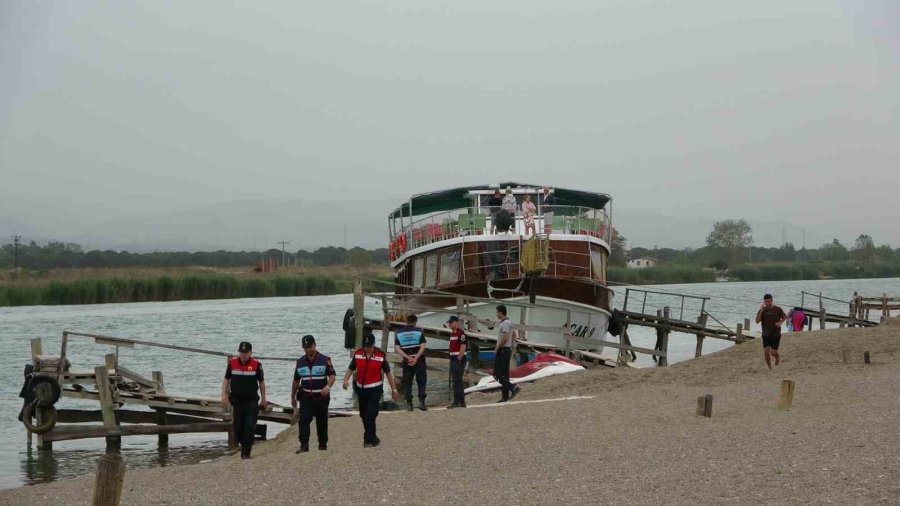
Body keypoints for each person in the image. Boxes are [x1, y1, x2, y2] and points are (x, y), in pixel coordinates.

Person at [342, 332, 400, 448]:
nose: (367, 348)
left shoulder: (380, 356)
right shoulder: (358, 354)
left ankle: (367, 440)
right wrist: (345, 380)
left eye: (369, 346)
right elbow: (350, 368)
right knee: (364, 415)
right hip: (361, 389)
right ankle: (373, 438)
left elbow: (388, 373)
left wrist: (394, 389)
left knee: (370, 414)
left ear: (373, 344)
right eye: (365, 346)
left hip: (375, 389)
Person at [221, 341, 268, 459]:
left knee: (249, 426)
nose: (243, 355)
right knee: (237, 428)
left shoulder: (257, 365)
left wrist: (264, 398)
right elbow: (226, 379)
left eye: (245, 353)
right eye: (241, 352)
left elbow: (261, 382)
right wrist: (224, 394)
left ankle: (247, 451)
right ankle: (243, 446)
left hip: (251, 401)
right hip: (237, 401)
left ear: (250, 353)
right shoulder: (232, 364)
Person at [291, 334, 336, 453]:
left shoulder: (325, 359)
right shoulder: (300, 362)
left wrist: (328, 386)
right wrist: (292, 397)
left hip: (321, 397)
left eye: (309, 347)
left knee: (322, 421)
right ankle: (304, 445)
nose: (307, 350)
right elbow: (296, 380)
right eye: (305, 348)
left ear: (314, 345)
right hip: (306, 397)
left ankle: (322, 445)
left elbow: (332, 375)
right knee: (304, 419)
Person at [395, 314, 428, 411]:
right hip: (419, 360)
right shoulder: (419, 332)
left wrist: (408, 357)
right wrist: (416, 358)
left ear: (406, 321)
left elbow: (397, 348)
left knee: (408, 382)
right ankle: (422, 403)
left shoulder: (399, 333)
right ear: (415, 322)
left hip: (407, 361)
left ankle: (409, 405)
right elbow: (423, 346)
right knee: (421, 381)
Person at [493, 305, 520, 402]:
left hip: (503, 350)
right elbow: (514, 335)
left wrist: (497, 348)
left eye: (497, 312)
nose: (496, 314)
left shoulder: (505, 323)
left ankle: (513, 388)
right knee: (505, 374)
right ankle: (505, 397)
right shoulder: (510, 322)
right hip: (507, 349)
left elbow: (504, 338)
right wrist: (511, 345)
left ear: (501, 312)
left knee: (496, 374)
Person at [755, 294, 787, 369]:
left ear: (772, 301)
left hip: (776, 333)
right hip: (766, 333)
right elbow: (757, 321)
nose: (767, 303)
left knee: (773, 352)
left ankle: (777, 356)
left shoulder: (778, 309)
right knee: (766, 351)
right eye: (766, 301)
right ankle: (770, 368)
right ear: (764, 302)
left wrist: (780, 322)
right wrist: (761, 311)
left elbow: (785, 316)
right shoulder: (762, 310)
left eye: (769, 301)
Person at [447, 315, 468, 409]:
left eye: (451, 322)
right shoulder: (452, 334)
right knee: (456, 380)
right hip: (453, 358)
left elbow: (463, 347)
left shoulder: (461, 333)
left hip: (458, 359)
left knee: (457, 381)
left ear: (456, 322)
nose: (450, 324)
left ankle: (457, 401)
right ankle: (461, 402)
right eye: (449, 323)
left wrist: (459, 359)